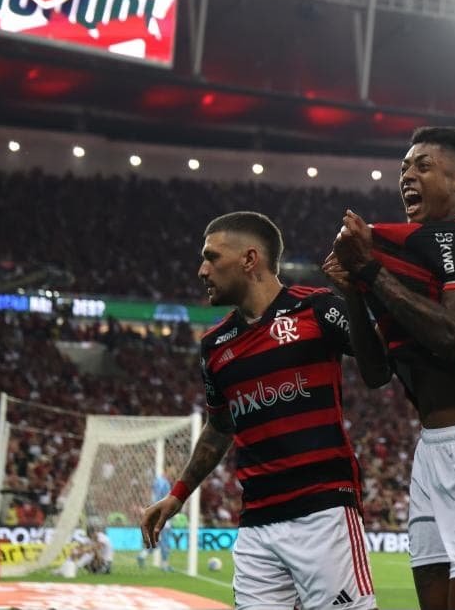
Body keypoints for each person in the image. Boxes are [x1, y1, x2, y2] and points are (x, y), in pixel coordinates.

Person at [324, 126, 455, 610]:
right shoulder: (398, 258)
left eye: (423, 165)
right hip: (432, 453)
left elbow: (450, 332)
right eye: (404, 168)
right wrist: (355, 290)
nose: (407, 176)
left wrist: (370, 272)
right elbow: (377, 373)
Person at [141, 211, 383, 610]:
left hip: (323, 512)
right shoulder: (215, 345)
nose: (202, 270)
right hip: (256, 524)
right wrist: (178, 495)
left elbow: (382, 357)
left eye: (212, 257)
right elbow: (221, 426)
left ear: (250, 259)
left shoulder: (317, 308)